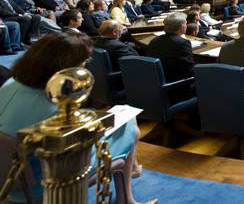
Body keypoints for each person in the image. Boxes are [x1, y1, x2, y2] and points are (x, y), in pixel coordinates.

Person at [0, 33, 152, 204]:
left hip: (9, 179)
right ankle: (127, 196)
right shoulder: (54, 108)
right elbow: (78, 158)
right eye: (83, 62)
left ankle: (131, 173)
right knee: (130, 127)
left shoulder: (10, 83)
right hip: (44, 183)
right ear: (67, 68)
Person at [147, 12, 195, 83]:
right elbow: (189, 69)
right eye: (186, 23)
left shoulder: (154, 40)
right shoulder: (183, 43)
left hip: (156, 81)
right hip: (177, 85)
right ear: (182, 26)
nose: (186, 25)